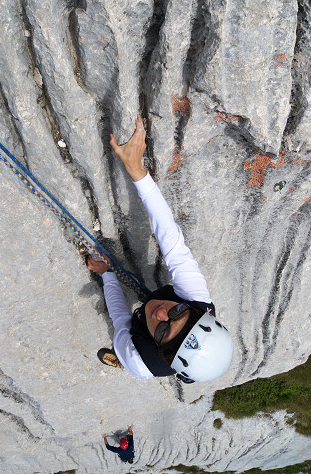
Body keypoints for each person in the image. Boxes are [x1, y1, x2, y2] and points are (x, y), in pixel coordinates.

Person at [87, 116, 233, 382]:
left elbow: (121, 319)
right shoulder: (199, 302)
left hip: (134, 353)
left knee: (125, 347)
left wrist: (107, 274)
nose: (161, 313)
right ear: (197, 311)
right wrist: (136, 170)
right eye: (178, 312)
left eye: (162, 331)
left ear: (158, 349)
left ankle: (117, 360)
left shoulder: (141, 361)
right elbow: (171, 240)